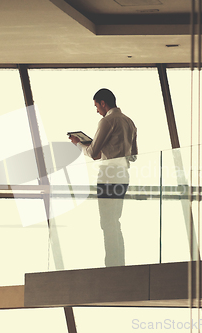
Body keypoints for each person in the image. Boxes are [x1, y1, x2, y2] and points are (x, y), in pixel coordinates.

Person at [69, 88, 137, 267]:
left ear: (103, 103)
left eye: (96, 106)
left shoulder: (106, 121)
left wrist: (79, 144)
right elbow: (133, 155)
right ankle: (118, 262)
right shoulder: (129, 122)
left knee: (107, 222)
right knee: (115, 221)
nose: (97, 110)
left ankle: (112, 265)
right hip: (123, 175)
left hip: (108, 175)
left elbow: (93, 153)